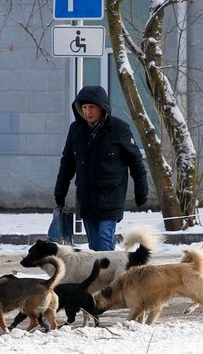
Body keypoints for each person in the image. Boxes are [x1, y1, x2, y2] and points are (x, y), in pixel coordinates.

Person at [54, 86, 149, 251]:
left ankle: (109, 276)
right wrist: (60, 192)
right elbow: (67, 162)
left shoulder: (119, 129)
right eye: (84, 107)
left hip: (112, 195)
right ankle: (105, 274)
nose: (87, 112)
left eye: (91, 107)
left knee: (105, 239)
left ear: (102, 107)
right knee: (95, 245)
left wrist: (141, 190)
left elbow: (135, 161)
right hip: (86, 197)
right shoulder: (75, 130)